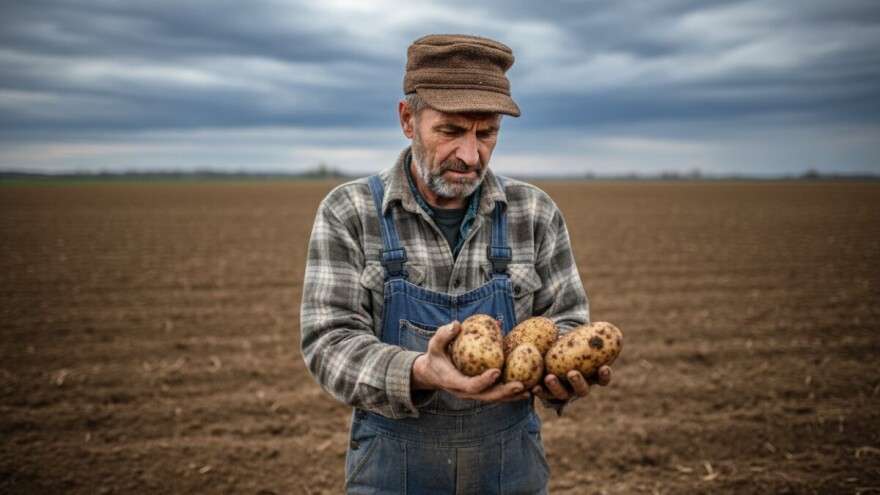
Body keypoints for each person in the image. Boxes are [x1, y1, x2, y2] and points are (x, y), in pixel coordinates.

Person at [300, 33, 612, 494]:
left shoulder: (534, 212)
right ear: (408, 119)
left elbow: (565, 322)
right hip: (393, 475)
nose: (471, 155)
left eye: (487, 134)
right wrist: (419, 372)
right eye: (451, 131)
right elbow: (328, 343)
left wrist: (557, 377)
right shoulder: (349, 212)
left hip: (510, 475)